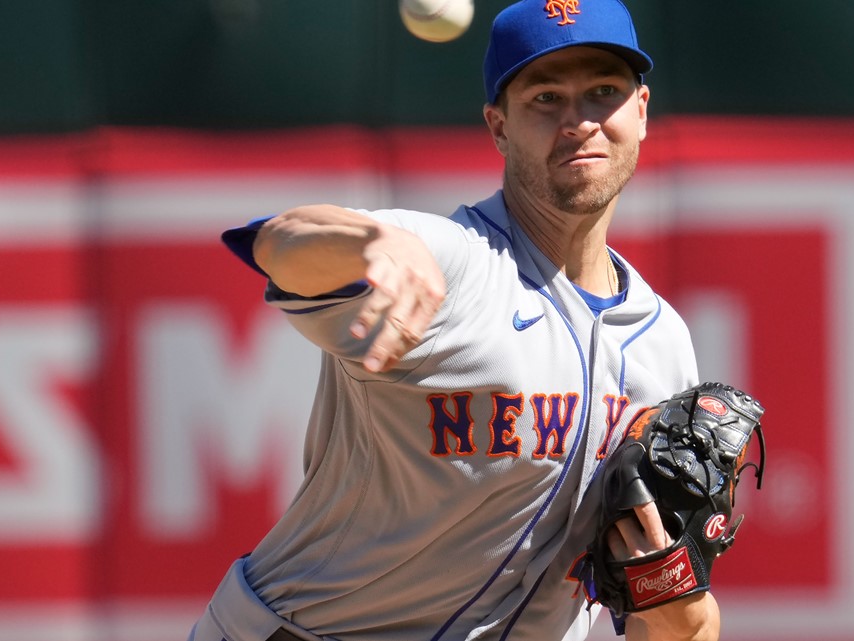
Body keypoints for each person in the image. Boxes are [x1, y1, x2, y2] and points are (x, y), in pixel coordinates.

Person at [189, 1, 720, 639]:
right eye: (546, 98)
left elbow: (676, 630)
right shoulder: (452, 262)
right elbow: (282, 242)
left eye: (603, 92)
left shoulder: (663, 344)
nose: (580, 121)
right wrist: (364, 243)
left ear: (640, 110)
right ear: (498, 127)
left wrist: (677, 602)